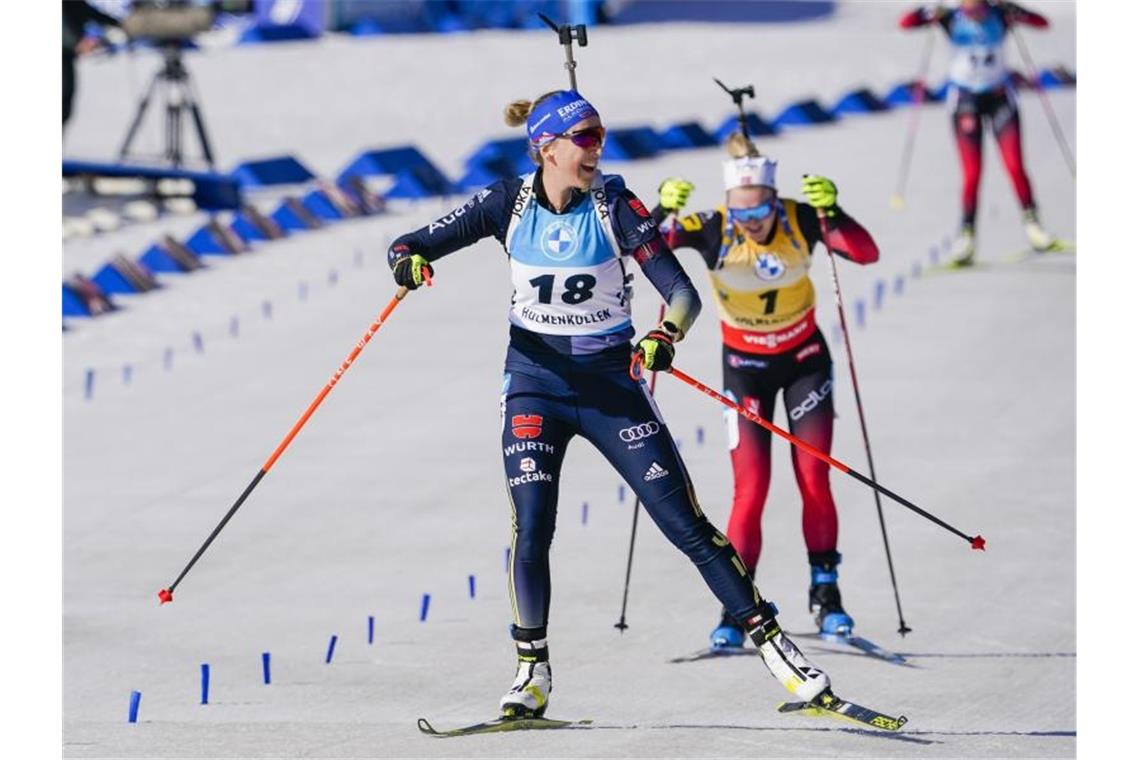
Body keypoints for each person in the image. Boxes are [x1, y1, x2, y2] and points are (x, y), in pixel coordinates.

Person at [387, 89, 835, 719]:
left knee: (685, 525)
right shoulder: (504, 203)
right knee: (532, 526)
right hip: (534, 385)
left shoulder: (616, 204)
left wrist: (665, 335)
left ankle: (778, 651)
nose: (599, 148)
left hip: (610, 387)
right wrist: (405, 264)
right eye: (586, 138)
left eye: (601, 135)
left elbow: (681, 292)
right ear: (548, 147)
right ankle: (531, 672)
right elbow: (411, 244)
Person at [652, 132, 879, 648]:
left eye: (760, 213)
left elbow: (865, 252)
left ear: (775, 201)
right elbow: (639, 248)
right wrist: (659, 213)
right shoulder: (710, 227)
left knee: (814, 479)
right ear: (729, 203)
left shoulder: (800, 217)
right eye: (742, 213)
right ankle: (737, 606)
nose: (751, 223)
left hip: (804, 362)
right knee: (750, 491)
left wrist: (835, 212)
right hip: (745, 369)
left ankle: (827, 595)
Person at [899, 0, 1055, 265]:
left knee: (1015, 166)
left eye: (978, 7)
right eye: (967, 7)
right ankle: (967, 236)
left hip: (1000, 98)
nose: (974, 12)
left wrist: (1018, 12)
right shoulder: (950, 18)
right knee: (972, 174)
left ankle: (1033, 226)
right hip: (965, 101)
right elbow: (905, 23)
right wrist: (927, 11)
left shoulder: (1001, 14)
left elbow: (1042, 24)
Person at [63, 1, 122, 129]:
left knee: (65, 105)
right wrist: (75, 43)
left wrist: (120, 24)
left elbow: (87, 11)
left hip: (66, 58)